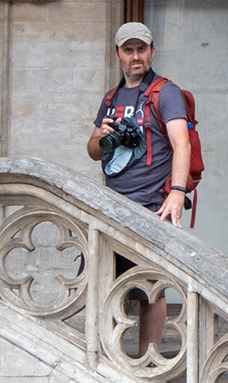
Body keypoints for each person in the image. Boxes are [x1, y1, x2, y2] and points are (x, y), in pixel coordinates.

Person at [89, 22, 192, 359]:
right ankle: (108, 359)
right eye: (129, 50)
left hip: (151, 206)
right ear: (117, 54)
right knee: (105, 285)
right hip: (112, 208)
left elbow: (182, 143)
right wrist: (101, 135)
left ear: (152, 52)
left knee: (151, 288)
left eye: (142, 49)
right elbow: (93, 151)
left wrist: (177, 192)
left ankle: (148, 360)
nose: (136, 56)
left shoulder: (166, 92)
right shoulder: (111, 98)